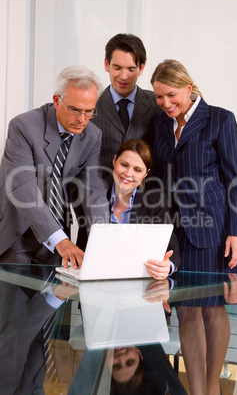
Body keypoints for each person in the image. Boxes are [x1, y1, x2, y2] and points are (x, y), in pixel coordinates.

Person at [150, 59, 237, 395]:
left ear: (188, 88)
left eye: (171, 95)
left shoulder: (220, 119)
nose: (165, 103)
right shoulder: (160, 125)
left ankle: (213, 387)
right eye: (159, 97)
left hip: (215, 229)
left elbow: (236, 179)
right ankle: (197, 390)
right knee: (186, 310)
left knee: (212, 306)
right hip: (176, 231)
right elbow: (159, 181)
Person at [0, 65, 109, 268]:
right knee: (13, 298)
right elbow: (23, 188)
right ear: (57, 100)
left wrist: (104, 240)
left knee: (56, 298)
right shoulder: (23, 126)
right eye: (75, 110)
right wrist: (61, 241)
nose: (82, 120)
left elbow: (93, 191)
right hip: (18, 236)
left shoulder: (93, 135)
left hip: (60, 237)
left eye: (89, 112)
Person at [92, 33, 160, 186]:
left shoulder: (158, 104)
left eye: (131, 69)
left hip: (149, 202)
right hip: (101, 202)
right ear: (106, 64)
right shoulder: (90, 107)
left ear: (141, 68)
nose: (123, 76)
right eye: (117, 68)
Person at [110, 138, 180, 280]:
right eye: (124, 165)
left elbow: (173, 253)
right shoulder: (94, 196)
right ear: (114, 161)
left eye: (137, 170)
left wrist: (168, 266)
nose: (128, 174)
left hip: (137, 286)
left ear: (145, 174)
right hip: (96, 281)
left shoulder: (154, 203)